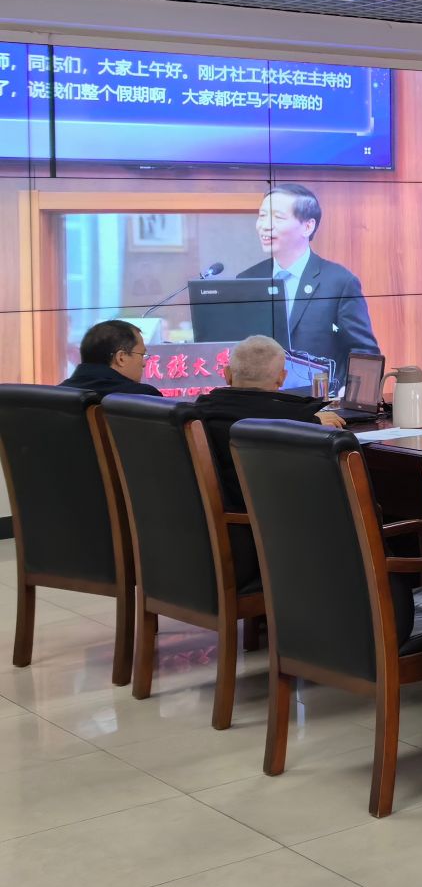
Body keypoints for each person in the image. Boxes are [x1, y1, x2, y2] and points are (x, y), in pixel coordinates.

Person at [192, 335, 343, 588]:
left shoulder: (196, 414)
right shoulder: (298, 423)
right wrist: (315, 422)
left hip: (205, 545)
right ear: (282, 378)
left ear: (227, 374)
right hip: (273, 548)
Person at [236, 183, 377, 383]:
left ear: (308, 226)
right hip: (258, 398)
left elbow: (365, 352)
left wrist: (348, 394)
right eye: (262, 215)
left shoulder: (339, 282)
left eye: (277, 217)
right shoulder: (247, 280)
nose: (265, 225)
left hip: (319, 399)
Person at [61, 319, 163, 397]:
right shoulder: (144, 396)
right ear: (121, 358)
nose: (144, 363)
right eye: (142, 355)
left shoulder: (57, 394)